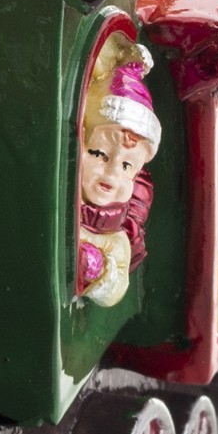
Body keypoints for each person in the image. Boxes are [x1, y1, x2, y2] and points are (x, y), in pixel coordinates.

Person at [76, 40, 159, 308]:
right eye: (99, 154)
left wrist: (96, 267)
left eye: (126, 167)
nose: (112, 174)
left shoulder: (116, 236)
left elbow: (115, 287)